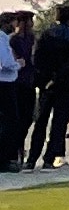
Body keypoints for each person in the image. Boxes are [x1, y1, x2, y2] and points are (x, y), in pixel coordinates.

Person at [26, 10, 69, 171]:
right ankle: (49, 158)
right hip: (66, 85)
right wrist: (59, 78)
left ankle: (32, 158)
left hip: (47, 84)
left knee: (41, 121)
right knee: (59, 124)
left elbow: (37, 58)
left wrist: (43, 79)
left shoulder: (47, 35)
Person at [0, 12, 32, 172]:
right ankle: (5, 158)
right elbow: (5, 62)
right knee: (10, 121)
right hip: (5, 83)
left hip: (8, 83)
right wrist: (18, 64)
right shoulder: (3, 39)